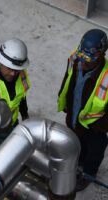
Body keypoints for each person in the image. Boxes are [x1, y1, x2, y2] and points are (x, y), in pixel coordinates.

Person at [57, 29, 108, 191]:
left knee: (93, 152)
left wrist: (99, 126)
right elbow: (68, 79)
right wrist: (65, 102)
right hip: (74, 114)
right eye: (83, 57)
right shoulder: (75, 59)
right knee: (75, 142)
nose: (84, 62)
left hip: (95, 126)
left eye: (89, 60)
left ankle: (88, 175)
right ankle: (77, 161)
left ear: (101, 54)